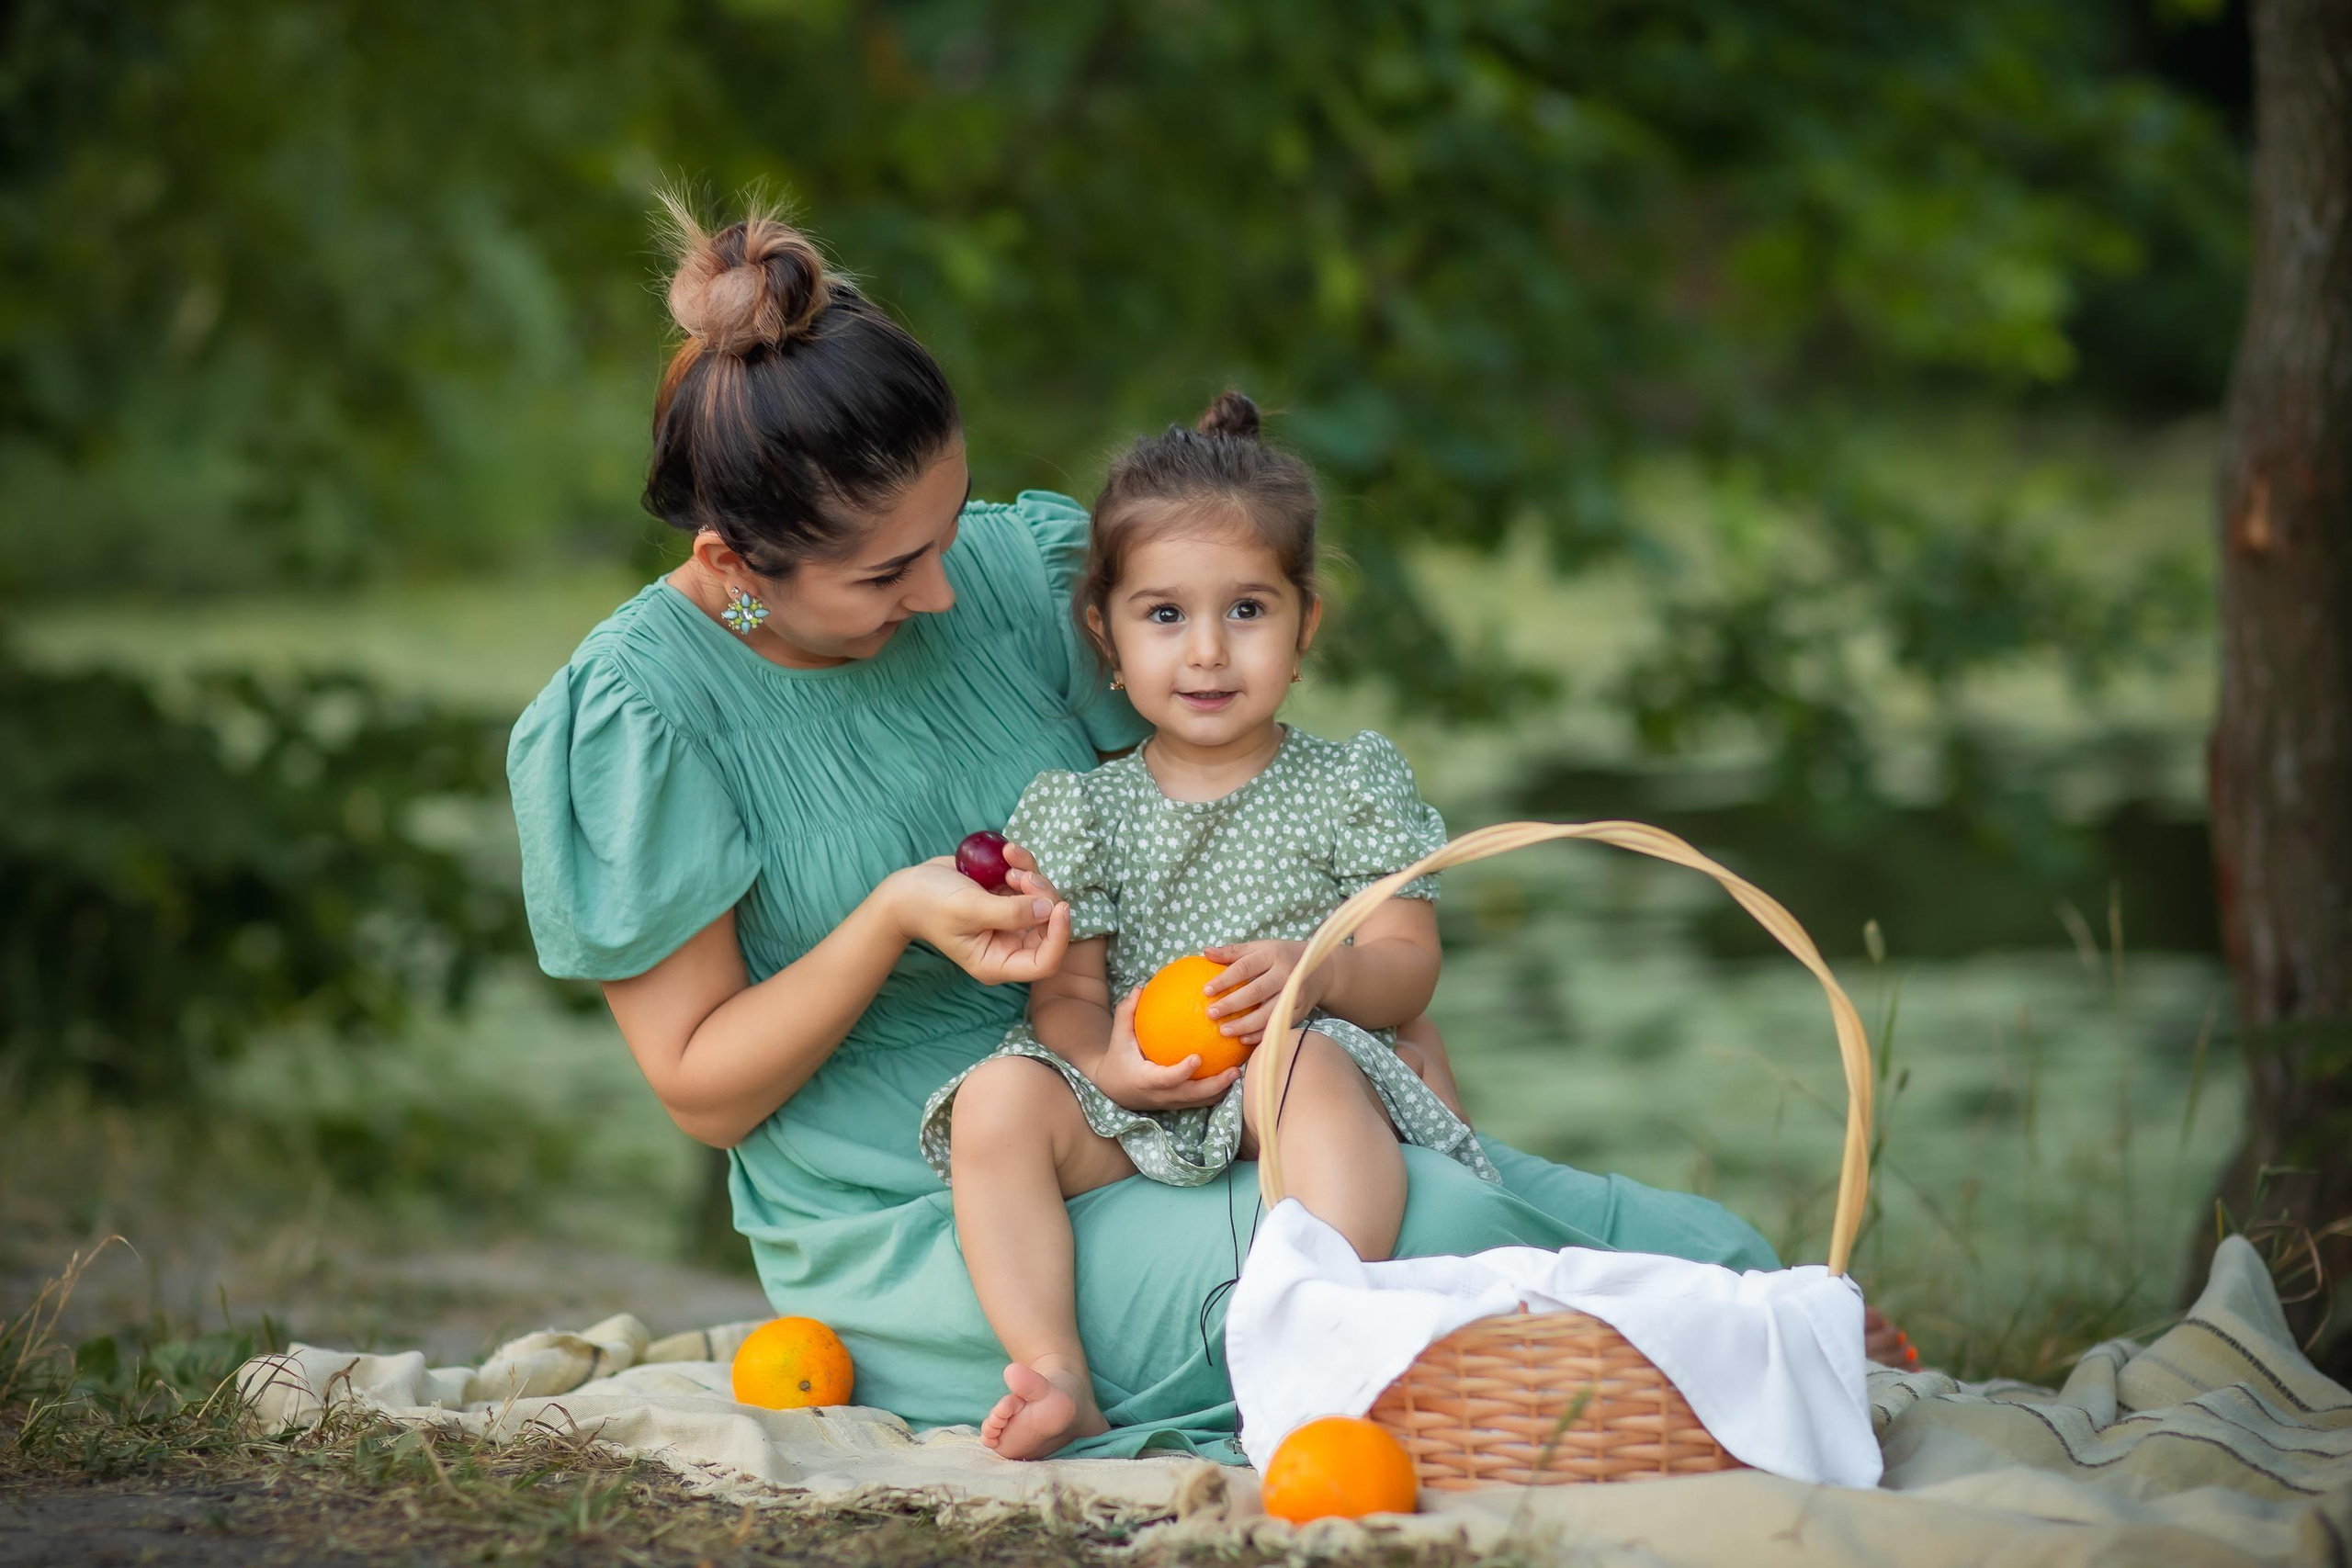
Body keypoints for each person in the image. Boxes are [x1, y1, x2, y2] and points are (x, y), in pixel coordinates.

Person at [506, 200, 1834, 1463]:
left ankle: (1786, 1324)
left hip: (1157, 1097)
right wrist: (891, 916)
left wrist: (1322, 981)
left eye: (945, 525)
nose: (943, 585)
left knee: (1633, 1219)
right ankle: (1739, 1356)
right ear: (737, 563)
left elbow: (1213, 780)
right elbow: (701, 1083)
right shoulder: (643, 714)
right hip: (928, 1209)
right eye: (885, 573)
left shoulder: (1014, 579)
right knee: (1438, 1229)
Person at [922, 390, 1492, 1457]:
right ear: (1105, 629)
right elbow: (1070, 1000)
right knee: (999, 1099)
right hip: (1147, 1092)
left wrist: (1317, 975)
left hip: (1300, 1075)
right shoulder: (1081, 808)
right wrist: (1111, 1065)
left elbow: (1410, 970)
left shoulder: (1348, 784)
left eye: (1247, 611)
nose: (1207, 655)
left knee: (1306, 1064)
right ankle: (1054, 1374)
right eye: (1164, 615)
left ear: (1304, 622)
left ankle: (1326, 1330)